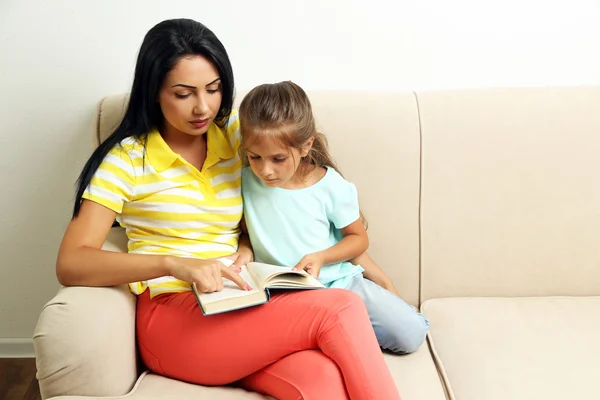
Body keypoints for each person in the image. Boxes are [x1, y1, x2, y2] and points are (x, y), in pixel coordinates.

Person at [56, 18, 401, 400]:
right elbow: (72, 262)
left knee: (323, 382)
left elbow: (303, 196)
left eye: (214, 89)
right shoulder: (127, 160)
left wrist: (247, 243)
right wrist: (174, 263)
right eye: (184, 94)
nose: (203, 107)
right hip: (174, 318)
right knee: (339, 310)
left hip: (243, 304)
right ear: (154, 91)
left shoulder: (238, 137)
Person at [239, 81, 430, 354]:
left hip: (340, 284)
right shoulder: (245, 182)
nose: (265, 170)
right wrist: (245, 250)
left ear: (305, 146)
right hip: (283, 295)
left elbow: (358, 239)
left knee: (410, 334)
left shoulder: (330, 185)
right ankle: (331, 332)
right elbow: (246, 231)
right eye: (255, 157)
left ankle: (338, 328)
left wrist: (320, 257)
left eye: (278, 159)